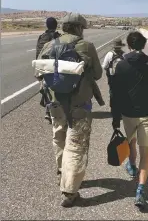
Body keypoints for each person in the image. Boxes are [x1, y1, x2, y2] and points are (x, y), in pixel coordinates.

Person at [37, 13, 103, 207]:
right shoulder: (86, 46)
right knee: (76, 145)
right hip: (79, 106)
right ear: (78, 28)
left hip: (55, 104)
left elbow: (38, 73)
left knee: (59, 139)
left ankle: (62, 175)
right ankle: (70, 191)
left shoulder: (49, 45)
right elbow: (98, 74)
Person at [111, 31, 148, 208]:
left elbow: (115, 94)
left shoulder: (120, 65)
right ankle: (140, 191)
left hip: (128, 114)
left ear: (129, 45)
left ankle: (131, 165)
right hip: (146, 114)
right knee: (146, 152)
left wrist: (115, 118)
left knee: (131, 142)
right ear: (143, 45)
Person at [36, 17, 61, 123]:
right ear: (56, 26)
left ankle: (48, 111)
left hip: (42, 66)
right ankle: (51, 111)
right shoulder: (57, 37)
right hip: (53, 67)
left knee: (45, 89)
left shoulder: (41, 37)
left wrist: (38, 68)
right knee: (53, 90)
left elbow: (38, 53)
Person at [102, 38, 125, 115]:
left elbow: (105, 66)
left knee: (112, 92)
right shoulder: (124, 54)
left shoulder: (109, 54)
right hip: (122, 77)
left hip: (112, 77)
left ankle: (114, 109)